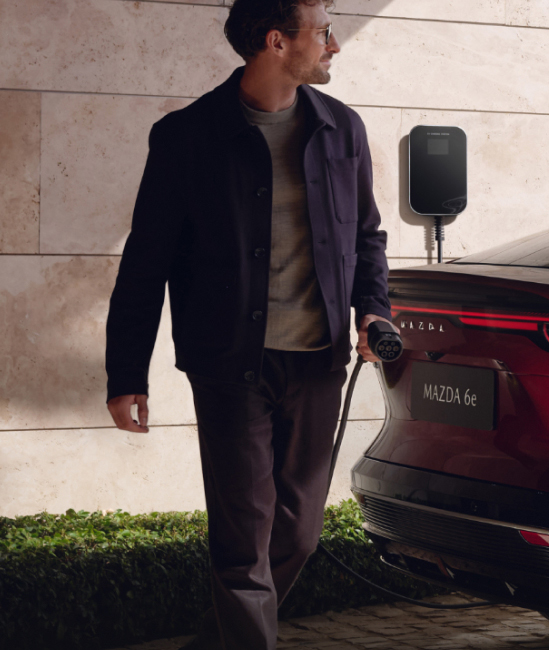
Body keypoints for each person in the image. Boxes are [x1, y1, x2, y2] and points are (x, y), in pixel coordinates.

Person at [104, 0, 390, 647]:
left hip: (317, 362)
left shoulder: (341, 129)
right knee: (242, 544)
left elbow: (367, 238)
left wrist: (374, 309)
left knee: (298, 534)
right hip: (231, 365)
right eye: (322, 32)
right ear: (276, 42)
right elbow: (146, 264)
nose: (334, 45)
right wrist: (127, 374)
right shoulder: (186, 137)